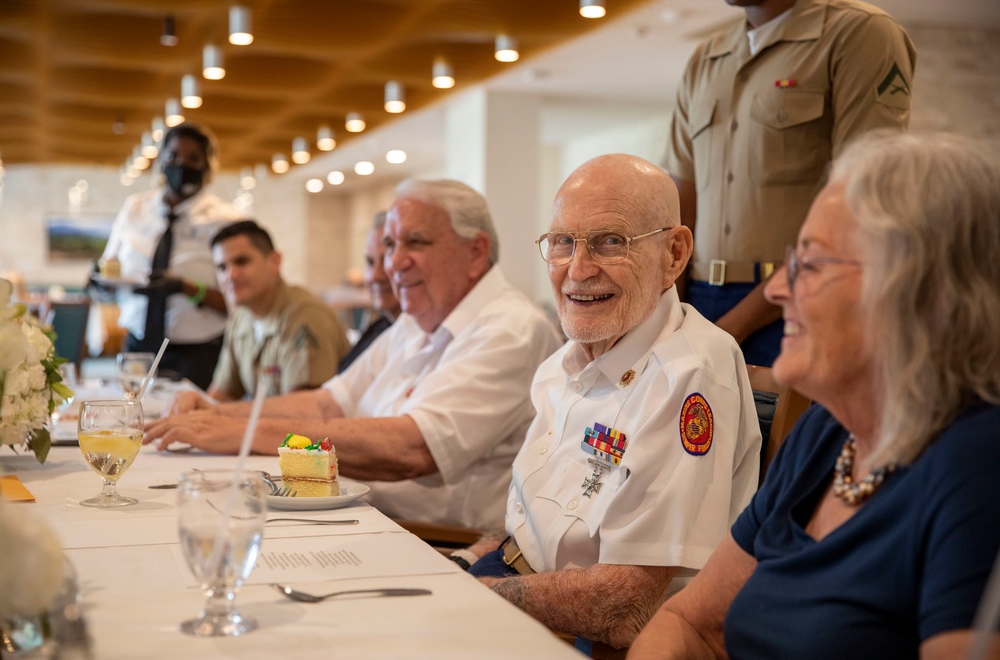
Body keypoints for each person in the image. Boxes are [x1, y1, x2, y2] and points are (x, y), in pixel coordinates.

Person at [628, 132, 1000, 659]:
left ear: (915, 289)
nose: (778, 292)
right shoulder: (826, 431)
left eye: (812, 265)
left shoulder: (979, 466)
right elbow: (691, 623)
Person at [463, 154, 762, 651]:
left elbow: (628, 607)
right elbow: (533, 525)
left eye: (610, 242)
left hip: (582, 638)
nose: (578, 270)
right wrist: (462, 562)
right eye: (563, 242)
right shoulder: (566, 362)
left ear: (674, 253)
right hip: (515, 592)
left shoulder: (687, 374)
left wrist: (477, 595)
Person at [145, 179, 562, 529]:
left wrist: (238, 433)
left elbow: (411, 450)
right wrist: (215, 415)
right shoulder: (416, 320)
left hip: (430, 543)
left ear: (474, 252)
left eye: (414, 242)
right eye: (389, 245)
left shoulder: (511, 328)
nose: (392, 264)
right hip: (359, 515)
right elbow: (329, 401)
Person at [664, 0, 916, 367]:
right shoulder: (706, 58)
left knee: (787, 427)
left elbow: (860, 205)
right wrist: (672, 313)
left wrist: (732, 327)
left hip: (797, 303)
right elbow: (678, 196)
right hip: (695, 302)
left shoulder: (860, 34)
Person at [98, 122, 241, 389]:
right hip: (138, 344)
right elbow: (109, 266)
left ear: (208, 166)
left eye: (193, 158)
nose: (181, 164)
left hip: (196, 353)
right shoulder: (135, 208)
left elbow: (238, 302)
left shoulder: (225, 221)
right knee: (133, 418)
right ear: (161, 160)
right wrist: (99, 282)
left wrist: (186, 288)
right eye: (172, 156)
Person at [168, 220, 349, 407]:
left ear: (274, 261)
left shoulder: (305, 316)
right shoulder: (241, 316)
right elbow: (222, 393)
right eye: (222, 268)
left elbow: (303, 411)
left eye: (241, 261)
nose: (230, 275)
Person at [338, 211, 401, 372]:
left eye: (387, 260)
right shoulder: (377, 330)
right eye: (370, 262)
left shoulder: (426, 340)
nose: (375, 276)